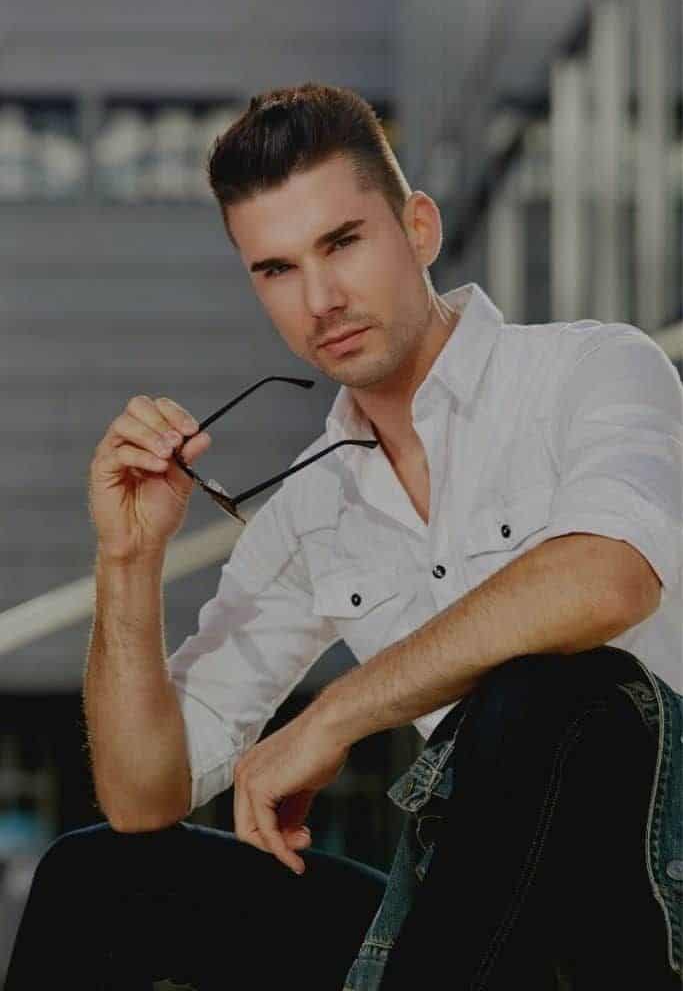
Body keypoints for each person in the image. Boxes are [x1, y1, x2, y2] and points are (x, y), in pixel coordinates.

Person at [6, 83, 682, 990]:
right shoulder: (310, 510)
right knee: (99, 877)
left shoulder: (589, 369)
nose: (320, 299)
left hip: (650, 907)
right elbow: (142, 795)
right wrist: (128, 558)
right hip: (465, 930)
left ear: (418, 229)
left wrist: (334, 716)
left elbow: (606, 580)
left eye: (341, 243)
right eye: (277, 270)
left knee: (555, 689)